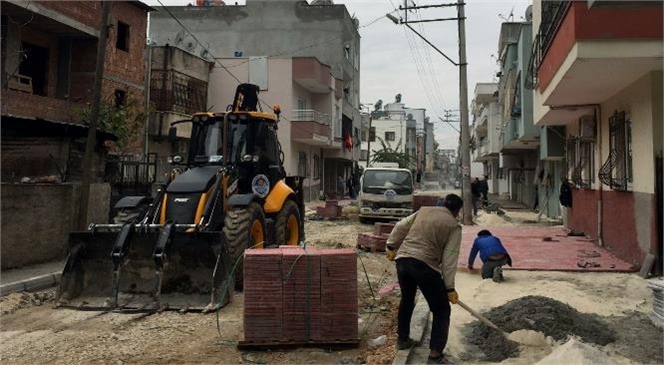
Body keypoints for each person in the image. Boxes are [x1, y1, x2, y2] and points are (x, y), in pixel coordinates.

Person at [385, 194, 463, 364]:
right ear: (457, 211)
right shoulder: (454, 226)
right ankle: (435, 355)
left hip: (403, 261)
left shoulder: (423, 211)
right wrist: (449, 288)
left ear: (442, 203)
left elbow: (400, 226)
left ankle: (403, 339)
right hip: (424, 265)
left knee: (407, 299)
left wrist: (391, 245)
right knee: (441, 309)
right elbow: (450, 258)